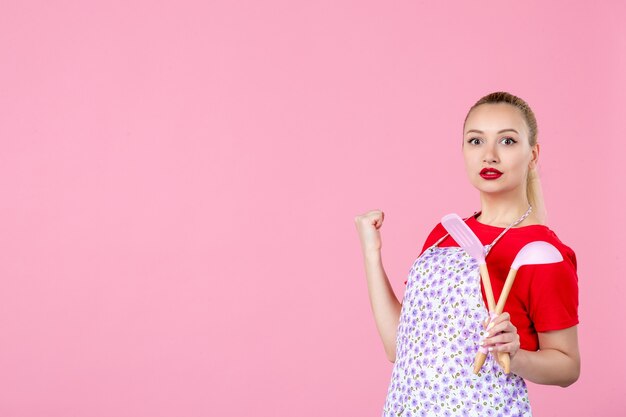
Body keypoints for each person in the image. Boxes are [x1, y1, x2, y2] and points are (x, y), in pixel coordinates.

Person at [354, 91, 580, 416]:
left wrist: (516, 357)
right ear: (462, 150)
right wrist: (371, 253)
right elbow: (398, 348)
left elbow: (568, 367)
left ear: (533, 154)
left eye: (507, 141)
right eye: (476, 141)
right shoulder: (446, 232)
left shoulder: (542, 253)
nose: (489, 155)